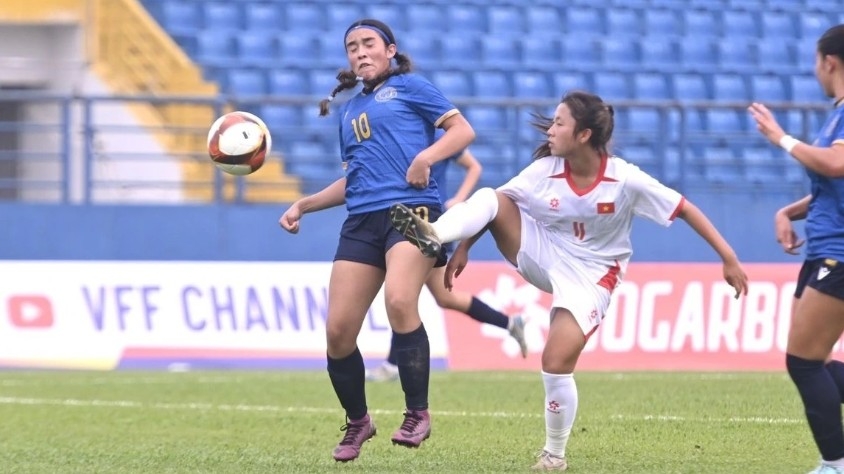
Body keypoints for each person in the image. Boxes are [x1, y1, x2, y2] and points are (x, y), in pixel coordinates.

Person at [389, 90, 749, 471]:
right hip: (545, 253)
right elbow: (497, 204)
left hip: (593, 276)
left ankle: (554, 455)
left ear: (583, 135)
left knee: (556, 360)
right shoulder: (545, 171)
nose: (551, 129)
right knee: (490, 195)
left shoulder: (625, 179)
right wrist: (463, 245)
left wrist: (728, 258)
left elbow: (685, 209)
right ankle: (436, 233)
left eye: (560, 123)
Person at [278, 19, 475, 462]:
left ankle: (417, 413)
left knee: (401, 301)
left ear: (390, 50)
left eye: (369, 43)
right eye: (352, 46)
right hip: (362, 221)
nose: (360, 52)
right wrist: (303, 205)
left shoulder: (411, 86)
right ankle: (358, 421)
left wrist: (427, 155)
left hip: (414, 212)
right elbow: (353, 181)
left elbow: (463, 132)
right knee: (338, 331)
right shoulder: (348, 111)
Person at [748, 24, 844, 474]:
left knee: (803, 362)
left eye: (816, 62)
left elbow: (837, 164)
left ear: (829, 62)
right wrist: (789, 211)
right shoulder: (836, 112)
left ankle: (835, 464)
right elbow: (829, 183)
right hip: (821, 249)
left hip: (838, 255)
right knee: (816, 360)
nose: (815, 71)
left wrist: (781, 138)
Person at [366, 146, 528, 383]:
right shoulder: (401, 133)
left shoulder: (441, 138)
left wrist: (459, 198)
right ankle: (510, 323)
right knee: (444, 297)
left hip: (432, 226)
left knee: (403, 293)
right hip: (408, 220)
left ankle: (392, 364)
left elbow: (474, 166)